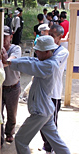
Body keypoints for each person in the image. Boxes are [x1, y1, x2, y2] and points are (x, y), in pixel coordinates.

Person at [6, 35, 71, 154]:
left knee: (20, 140)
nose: (36, 53)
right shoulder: (47, 61)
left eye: (38, 51)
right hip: (46, 109)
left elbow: (31, 65)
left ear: (47, 51)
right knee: (56, 141)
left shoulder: (49, 65)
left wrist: (9, 63)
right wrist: (10, 61)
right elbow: (30, 60)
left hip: (41, 111)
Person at [40, 24, 69, 153]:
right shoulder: (45, 48)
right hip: (43, 92)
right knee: (40, 122)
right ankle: (47, 144)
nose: (49, 38)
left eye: (52, 35)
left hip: (54, 93)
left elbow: (48, 65)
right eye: (48, 34)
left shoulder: (62, 52)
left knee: (51, 124)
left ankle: (50, 148)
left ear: (60, 37)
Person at [1, 25, 21, 144]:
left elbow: (10, 61)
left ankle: (9, 132)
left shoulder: (15, 48)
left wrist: (5, 58)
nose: (3, 39)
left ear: (11, 37)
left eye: (5, 36)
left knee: (11, 113)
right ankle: (0, 135)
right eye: (1, 36)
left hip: (13, 87)